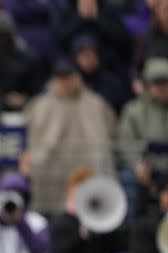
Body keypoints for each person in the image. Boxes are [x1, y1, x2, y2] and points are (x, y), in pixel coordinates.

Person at [24, 59, 117, 215]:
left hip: (89, 175)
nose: (65, 83)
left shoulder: (96, 105)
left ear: (78, 78)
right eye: (61, 79)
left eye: (69, 78)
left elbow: (113, 135)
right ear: (54, 81)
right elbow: (24, 141)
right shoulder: (39, 106)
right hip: (50, 179)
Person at [50, 167, 128, 253]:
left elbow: (119, 246)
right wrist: (81, 234)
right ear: (71, 192)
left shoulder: (98, 226)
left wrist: (104, 222)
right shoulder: (60, 222)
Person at [118, 57, 168, 170]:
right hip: (148, 172)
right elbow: (127, 143)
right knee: (127, 175)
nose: (162, 88)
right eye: (157, 83)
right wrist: (138, 165)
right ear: (147, 86)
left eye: (166, 82)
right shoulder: (133, 111)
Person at [0, 10, 46, 113]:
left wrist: (26, 98)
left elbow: (39, 91)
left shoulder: (27, 58)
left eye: (4, 35)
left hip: (22, 112)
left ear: (12, 34)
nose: (1, 40)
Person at [72, 34, 131, 113]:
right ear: (76, 59)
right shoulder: (71, 84)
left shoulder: (112, 82)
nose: (89, 60)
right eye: (85, 55)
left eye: (92, 54)